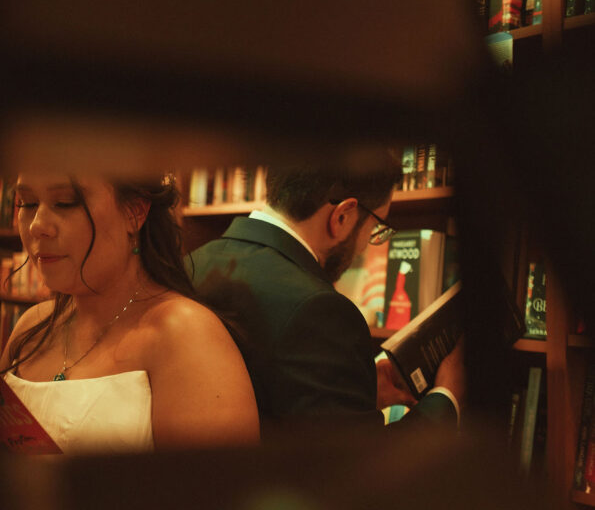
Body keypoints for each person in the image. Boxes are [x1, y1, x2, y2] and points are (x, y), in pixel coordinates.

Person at [187, 160, 464, 435]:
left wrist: (357, 393)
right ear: (343, 216)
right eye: (375, 227)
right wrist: (447, 396)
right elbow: (361, 457)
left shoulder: (191, 264)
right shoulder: (321, 308)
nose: (366, 246)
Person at [0, 171, 259, 453]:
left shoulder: (185, 334)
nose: (37, 226)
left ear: (134, 212)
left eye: (65, 202)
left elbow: (219, 479)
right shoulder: (32, 325)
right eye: (27, 203)